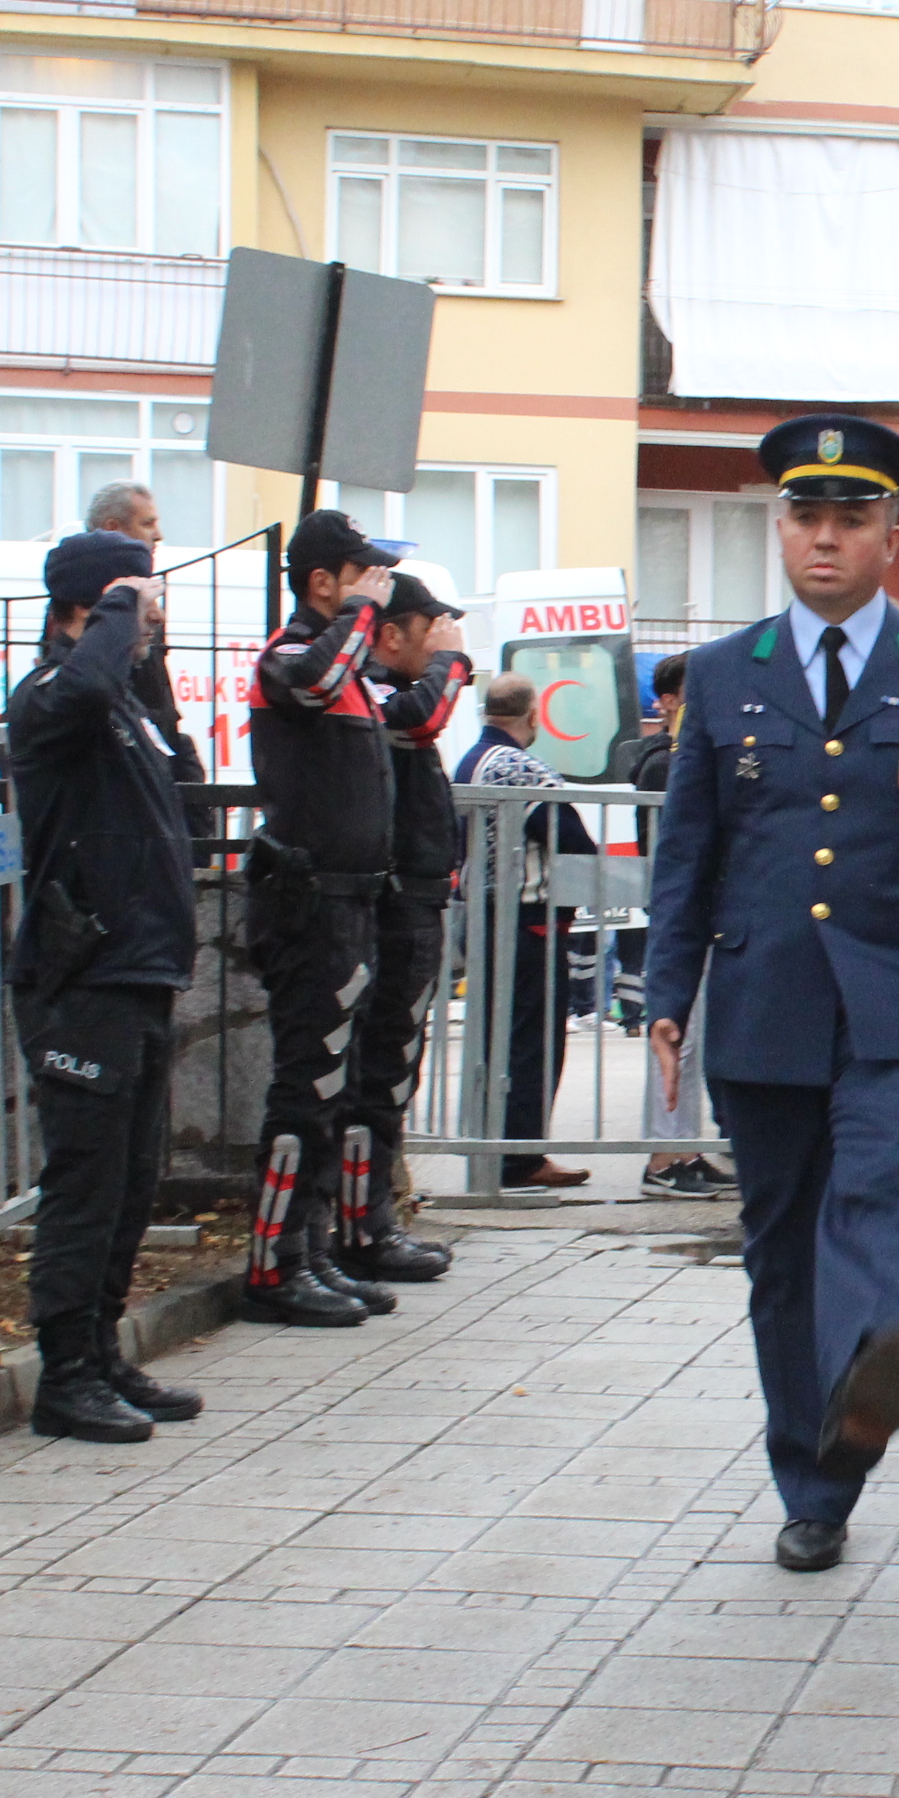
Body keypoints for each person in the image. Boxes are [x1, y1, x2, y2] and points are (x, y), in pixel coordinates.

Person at [643, 414, 899, 1572]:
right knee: (779, 1246)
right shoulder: (725, 677)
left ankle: (879, 1347)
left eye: (851, 519)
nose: (825, 539)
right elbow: (691, 850)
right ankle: (812, 1478)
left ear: (892, 534)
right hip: (767, 997)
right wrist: (668, 990)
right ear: (782, 528)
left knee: (883, 1190)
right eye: (805, 516)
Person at [6, 532, 206, 1441]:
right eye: (129, 609)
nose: (144, 626)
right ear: (80, 614)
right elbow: (83, 687)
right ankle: (64, 1376)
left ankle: (103, 1351)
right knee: (86, 1181)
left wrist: (149, 663)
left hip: (141, 969)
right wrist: (123, 607)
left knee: (132, 1181)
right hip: (82, 977)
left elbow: (186, 776)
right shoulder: (53, 699)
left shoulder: (121, 706)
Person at [240, 510, 401, 1327]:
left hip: (353, 901)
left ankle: (311, 1252)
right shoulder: (289, 658)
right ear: (321, 583)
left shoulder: (349, 662)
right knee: (303, 1091)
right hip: (308, 904)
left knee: (334, 1090)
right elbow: (312, 680)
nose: (377, 589)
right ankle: (272, 1265)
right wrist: (361, 615)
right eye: (361, 575)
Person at [331, 561, 471, 1287]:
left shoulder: (389, 691)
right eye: (428, 628)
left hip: (414, 896)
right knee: (373, 1073)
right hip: (390, 905)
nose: (440, 639)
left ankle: (369, 1218)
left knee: (389, 1074)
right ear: (390, 635)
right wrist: (450, 661)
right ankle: (359, 1226)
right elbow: (422, 718)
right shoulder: (383, 693)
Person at [458, 674, 599, 1190]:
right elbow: (572, 840)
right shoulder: (523, 768)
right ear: (532, 714)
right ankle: (521, 1155)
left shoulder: (470, 761)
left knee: (495, 1038)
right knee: (533, 1040)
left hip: (483, 915)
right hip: (529, 919)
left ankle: (496, 1149)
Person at [632, 655, 736, 1200]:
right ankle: (663, 1157)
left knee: (693, 1040)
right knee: (676, 1035)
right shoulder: (663, 761)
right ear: (668, 701)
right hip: (686, 914)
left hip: (709, 910)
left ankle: (684, 1149)